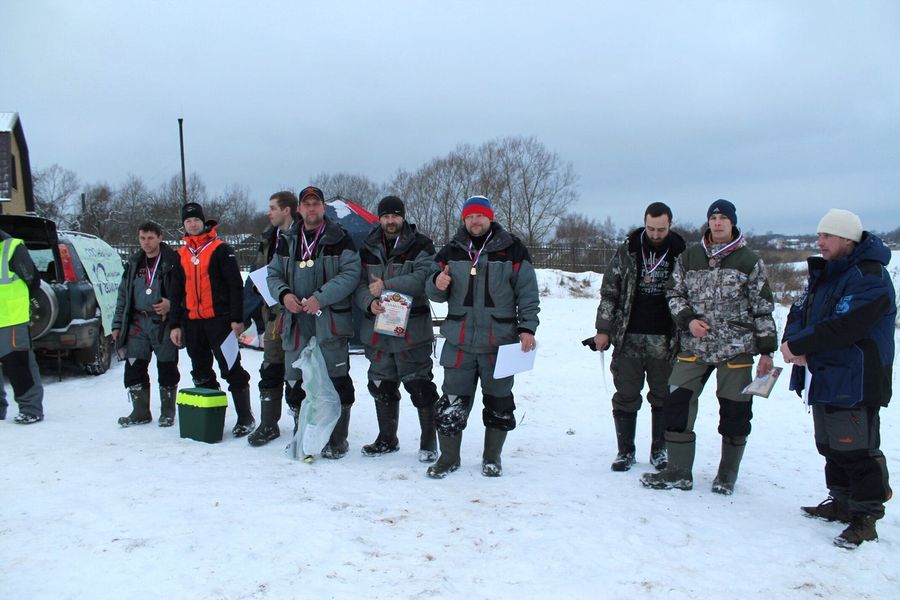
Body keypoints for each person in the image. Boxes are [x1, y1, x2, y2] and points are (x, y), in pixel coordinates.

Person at [641, 199, 775, 494]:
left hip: (735, 347)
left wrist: (766, 351)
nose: (717, 223)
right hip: (695, 346)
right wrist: (687, 320)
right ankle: (678, 471)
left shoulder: (749, 261)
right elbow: (674, 293)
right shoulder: (690, 257)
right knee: (675, 402)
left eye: (723, 218)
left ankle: (727, 474)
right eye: (713, 217)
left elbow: (763, 308)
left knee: (735, 412)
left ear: (732, 223)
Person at [781, 209, 895, 548]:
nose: (820, 242)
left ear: (847, 239)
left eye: (827, 236)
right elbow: (799, 311)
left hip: (857, 377)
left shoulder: (870, 277)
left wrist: (802, 346)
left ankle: (866, 517)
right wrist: (793, 343)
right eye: (819, 235)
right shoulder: (827, 274)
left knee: (856, 448)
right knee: (829, 445)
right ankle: (842, 502)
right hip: (826, 373)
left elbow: (845, 326)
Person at [425, 195, 540, 478]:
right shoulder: (451, 250)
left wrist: (527, 328)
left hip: (499, 343)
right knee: (452, 403)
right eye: (470, 217)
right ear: (464, 220)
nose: (475, 221)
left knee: (499, 403)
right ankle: (449, 458)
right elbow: (432, 291)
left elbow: (527, 292)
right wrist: (437, 283)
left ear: (490, 217)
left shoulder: (512, 249)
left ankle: (492, 458)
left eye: (480, 216)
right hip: (459, 342)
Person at [266, 186, 361, 459]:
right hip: (295, 322)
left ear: (323, 207)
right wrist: (284, 295)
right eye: (306, 204)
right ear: (299, 209)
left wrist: (321, 297)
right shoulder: (287, 239)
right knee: (296, 381)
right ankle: (302, 437)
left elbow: (351, 274)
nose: (311, 209)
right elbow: (273, 275)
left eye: (316, 204)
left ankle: (337, 439)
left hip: (329, 321)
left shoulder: (339, 238)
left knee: (337, 379)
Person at [594, 202, 686, 472]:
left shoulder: (683, 253)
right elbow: (610, 291)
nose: (656, 234)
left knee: (663, 396)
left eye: (661, 229)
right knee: (626, 394)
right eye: (651, 228)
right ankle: (625, 451)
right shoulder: (628, 250)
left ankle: (659, 450)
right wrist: (603, 329)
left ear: (670, 225)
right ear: (644, 224)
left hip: (666, 339)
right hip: (629, 336)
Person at [355, 195, 439, 462]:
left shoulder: (421, 245)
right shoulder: (366, 247)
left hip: (412, 331)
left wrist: (387, 284)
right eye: (386, 216)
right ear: (378, 218)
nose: (391, 221)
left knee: (420, 387)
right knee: (381, 384)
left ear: (403, 216)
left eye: (395, 216)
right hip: (378, 331)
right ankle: (387, 438)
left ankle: (429, 442)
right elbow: (357, 285)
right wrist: (369, 303)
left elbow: (424, 278)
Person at [170, 202, 255, 437]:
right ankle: (211, 416)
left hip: (220, 321)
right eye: (188, 221)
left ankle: (245, 417)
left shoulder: (220, 249)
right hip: (193, 322)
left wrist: (237, 319)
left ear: (203, 221)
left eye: (196, 220)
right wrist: (175, 324)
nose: (193, 224)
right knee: (200, 371)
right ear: (184, 225)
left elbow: (235, 286)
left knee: (231, 368)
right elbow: (175, 292)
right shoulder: (181, 254)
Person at [112, 221, 185, 427]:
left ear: (160, 238)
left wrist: (171, 305)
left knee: (167, 367)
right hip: (137, 323)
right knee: (134, 366)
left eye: (151, 238)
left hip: (162, 324)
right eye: (142, 238)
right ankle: (140, 411)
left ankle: (168, 412)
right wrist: (117, 324)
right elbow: (123, 296)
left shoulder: (172, 261)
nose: (146, 242)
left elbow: (185, 292)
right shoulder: (134, 263)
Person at [248, 191, 298, 447]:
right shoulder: (268, 237)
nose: (269, 212)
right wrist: (259, 286)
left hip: (298, 316)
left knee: (296, 371)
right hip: (273, 316)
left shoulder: (303, 235)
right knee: (270, 367)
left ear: (286, 210)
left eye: (272, 208)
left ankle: (302, 425)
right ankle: (269, 424)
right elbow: (258, 270)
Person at [0, 227, 44, 424]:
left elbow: (32, 281)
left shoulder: (12, 247)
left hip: (11, 319)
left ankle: (30, 409)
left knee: (19, 364)